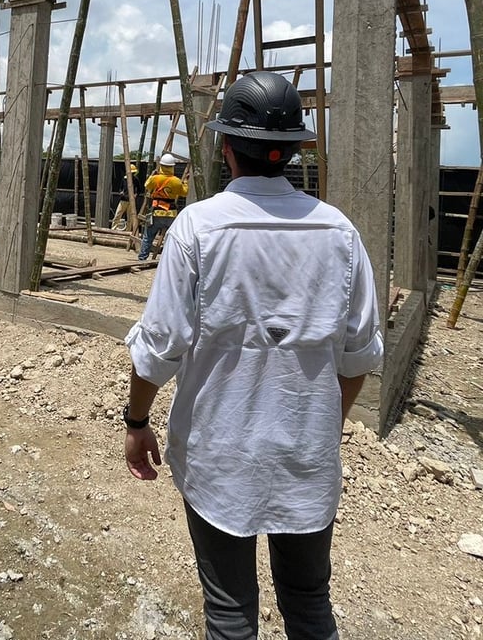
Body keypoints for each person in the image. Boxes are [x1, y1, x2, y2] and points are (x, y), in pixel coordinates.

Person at [123, 71, 384, 640]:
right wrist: (323, 426)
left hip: (220, 459)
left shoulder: (198, 228)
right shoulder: (339, 233)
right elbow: (359, 355)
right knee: (310, 604)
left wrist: (136, 422)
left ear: (225, 146)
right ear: (292, 150)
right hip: (306, 460)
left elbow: (159, 347)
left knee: (229, 612)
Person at [137, 152, 188, 260]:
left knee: (148, 236)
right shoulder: (177, 181)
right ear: (172, 167)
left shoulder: (155, 178)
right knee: (173, 238)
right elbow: (184, 193)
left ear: (161, 166)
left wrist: (152, 175)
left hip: (156, 213)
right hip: (171, 214)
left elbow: (147, 185)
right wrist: (186, 182)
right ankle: (170, 259)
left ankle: (142, 258)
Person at [112, 163, 141, 230]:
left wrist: (136, 195)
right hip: (123, 200)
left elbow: (139, 190)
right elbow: (120, 188)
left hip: (131, 201)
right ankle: (113, 228)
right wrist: (121, 192)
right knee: (118, 214)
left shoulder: (136, 180)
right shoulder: (124, 179)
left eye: (133, 173)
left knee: (129, 217)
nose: (132, 174)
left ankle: (128, 230)